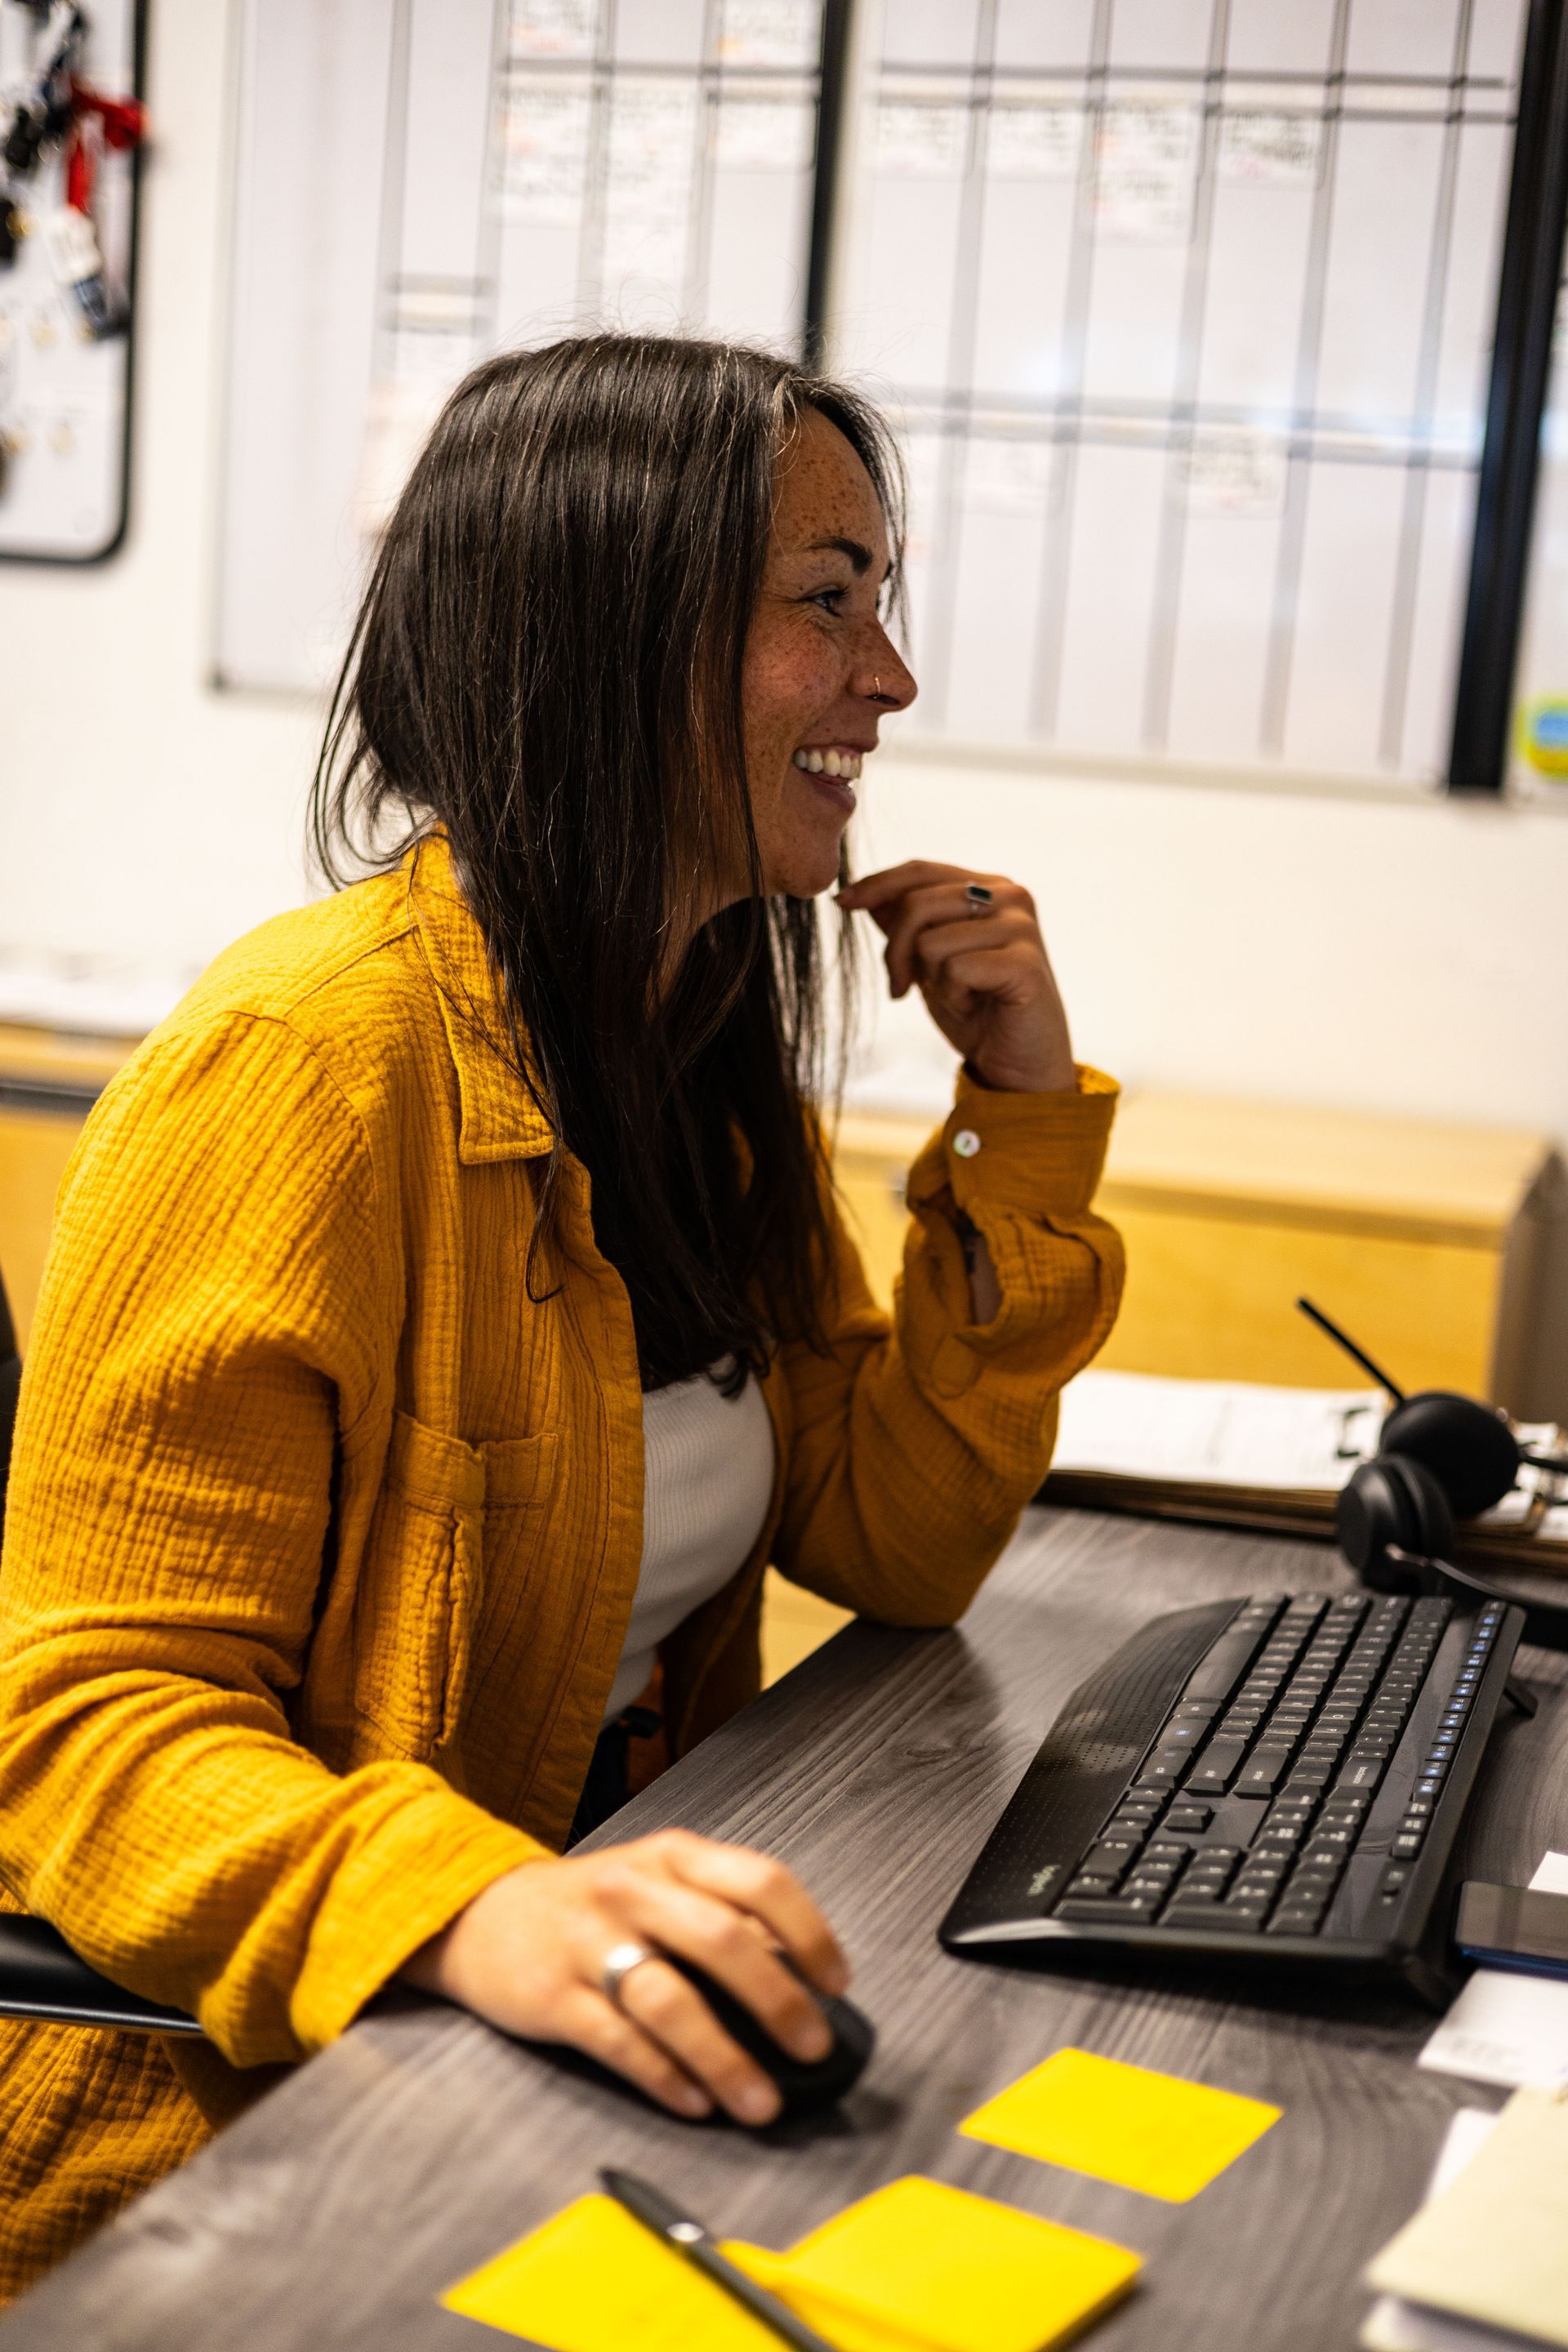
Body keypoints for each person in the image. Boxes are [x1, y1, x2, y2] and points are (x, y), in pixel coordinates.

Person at [0, 334, 1123, 2298]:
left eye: (885, 602)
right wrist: (482, 1910)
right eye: (826, 601)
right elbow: (85, 1735)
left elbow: (897, 1539)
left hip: (583, 2000)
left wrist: (1022, 1119)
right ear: (613, 635)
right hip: (263, 2122)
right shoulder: (305, 1070)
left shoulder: (693, 1036)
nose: (890, 677)